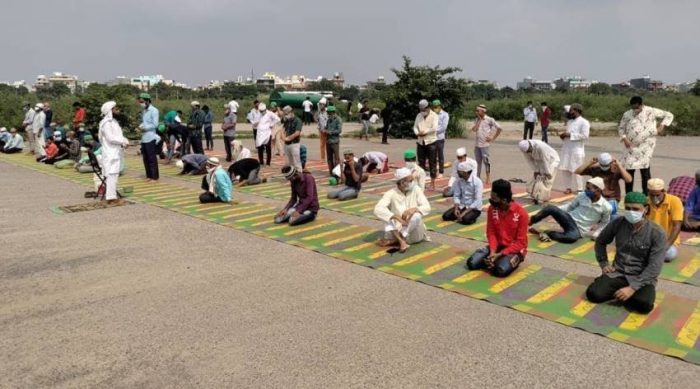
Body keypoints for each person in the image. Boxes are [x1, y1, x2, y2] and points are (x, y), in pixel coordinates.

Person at [585, 192, 665, 314]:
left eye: (635, 209)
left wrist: (632, 288)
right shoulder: (618, 223)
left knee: (644, 305)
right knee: (593, 294)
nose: (631, 212)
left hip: (642, 277)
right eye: (628, 208)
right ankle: (617, 290)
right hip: (618, 273)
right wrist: (604, 263)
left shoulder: (657, 233)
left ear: (646, 209)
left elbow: (655, 266)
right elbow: (600, 241)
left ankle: (625, 293)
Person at [466, 179, 529, 277]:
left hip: (514, 249)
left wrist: (500, 254)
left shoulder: (521, 213)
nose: (491, 201)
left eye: (494, 198)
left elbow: (520, 242)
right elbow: (491, 233)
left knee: (499, 270)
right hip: (497, 246)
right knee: (471, 263)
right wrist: (492, 252)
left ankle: (500, 261)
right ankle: (493, 261)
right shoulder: (492, 209)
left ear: (504, 200)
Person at [618, 96, 674, 195]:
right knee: (629, 170)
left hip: (646, 146)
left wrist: (661, 126)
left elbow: (669, 115)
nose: (635, 110)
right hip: (630, 146)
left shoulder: (651, 111)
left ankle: (647, 195)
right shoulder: (627, 114)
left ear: (642, 105)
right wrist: (624, 138)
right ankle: (629, 195)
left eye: (637, 108)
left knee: (645, 171)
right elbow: (621, 128)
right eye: (633, 108)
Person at [529, 177, 612, 243]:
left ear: (598, 190)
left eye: (588, 188)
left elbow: (604, 222)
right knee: (550, 208)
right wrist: (556, 210)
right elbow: (570, 207)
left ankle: (548, 233)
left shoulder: (606, 207)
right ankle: (530, 221)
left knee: (571, 238)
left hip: (579, 230)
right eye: (586, 188)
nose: (586, 190)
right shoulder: (582, 195)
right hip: (569, 219)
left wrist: (597, 233)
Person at [374, 167, 431, 252]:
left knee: (416, 215)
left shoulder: (416, 189)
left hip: (414, 234)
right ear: (401, 182)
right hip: (397, 229)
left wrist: (414, 209)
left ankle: (398, 240)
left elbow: (427, 207)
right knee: (387, 216)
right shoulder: (391, 193)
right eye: (410, 180)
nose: (413, 182)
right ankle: (401, 241)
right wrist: (395, 217)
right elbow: (377, 209)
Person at [98, 101, 130, 205]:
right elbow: (111, 138)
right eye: (115, 108)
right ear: (110, 111)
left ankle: (111, 196)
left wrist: (124, 140)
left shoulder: (113, 122)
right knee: (112, 175)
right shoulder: (106, 123)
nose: (117, 110)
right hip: (110, 152)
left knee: (114, 175)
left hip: (115, 152)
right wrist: (123, 141)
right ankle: (111, 198)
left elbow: (118, 135)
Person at [647, 178, 683, 262]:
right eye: (652, 195)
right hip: (649, 239)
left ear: (664, 191)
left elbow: (677, 226)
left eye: (657, 195)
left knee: (670, 254)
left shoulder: (675, 201)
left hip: (667, 239)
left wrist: (667, 245)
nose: (654, 198)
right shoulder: (645, 201)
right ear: (648, 192)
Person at [559, 103, 590, 194]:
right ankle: (568, 188)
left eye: (571, 110)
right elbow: (568, 134)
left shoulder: (584, 122)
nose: (570, 112)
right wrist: (563, 136)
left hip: (577, 149)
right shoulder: (570, 122)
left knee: (577, 169)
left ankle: (580, 189)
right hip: (567, 148)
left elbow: (585, 136)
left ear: (577, 111)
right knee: (565, 169)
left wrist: (570, 135)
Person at [519, 139, 560, 203]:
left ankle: (543, 197)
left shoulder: (540, 147)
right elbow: (529, 160)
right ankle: (535, 195)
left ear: (530, 145)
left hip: (551, 161)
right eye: (527, 151)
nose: (529, 152)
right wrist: (536, 170)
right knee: (538, 178)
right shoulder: (524, 150)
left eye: (529, 150)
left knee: (547, 180)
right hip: (540, 161)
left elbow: (545, 160)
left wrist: (548, 172)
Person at [442, 159, 482, 225]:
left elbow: (477, 200)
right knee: (445, 216)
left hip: (474, 208)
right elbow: (457, 195)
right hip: (462, 206)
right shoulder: (459, 181)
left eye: (460, 172)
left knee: (465, 219)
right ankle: (461, 215)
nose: (458, 173)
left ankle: (471, 217)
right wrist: (456, 208)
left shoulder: (477, 182)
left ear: (466, 172)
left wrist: (465, 212)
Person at [471, 104, 502, 185]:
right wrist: (479, 121)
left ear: (483, 111)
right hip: (477, 144)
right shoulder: (476, 119)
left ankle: (488, 177)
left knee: (486, 161)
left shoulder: (489, 119)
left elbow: (499, 128)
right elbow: (474, 129)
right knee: (477, 162)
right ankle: (477, 177)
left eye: (478, 111)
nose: (476, 112)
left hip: (484, 145)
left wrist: (493, 138)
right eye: (476, 110)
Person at [412, 99, 439, 190]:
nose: (422, 112)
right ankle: (421, 182)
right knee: (421, 162)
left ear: (428, 108)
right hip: (420, 141)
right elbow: (415, 126)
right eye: (421, 110)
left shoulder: (434, 115)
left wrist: (425, 132)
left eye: (424, 110)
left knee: (432, 163)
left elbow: (434, 128)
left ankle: (432, 182)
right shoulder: (419, 115)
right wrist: (417, 133)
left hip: (431, 141)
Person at [137, 93, 160, 182]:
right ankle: (149, 175)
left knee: (152, 158)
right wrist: (140, 126)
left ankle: (154, 177)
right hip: (144, 137)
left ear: (147, 101)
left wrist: (145, 128)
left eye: (142, 102)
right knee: (145, 158)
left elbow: (155, 124)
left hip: (150, 136)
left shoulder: (154, 110)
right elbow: (144, 122)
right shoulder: (144, 111)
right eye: (140, 102)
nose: (141, 103)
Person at [432, 99, 449, 178]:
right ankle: (433, 171)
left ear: (440, 106)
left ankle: (441, 172)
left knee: (440, 155)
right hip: (432, 138)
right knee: (433, 156)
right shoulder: (432, 114)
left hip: (439, 138)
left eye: (436, 107)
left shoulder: (445, 115)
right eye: (434, 107)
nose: (435, 108)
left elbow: (443, 127)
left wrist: (434, 131)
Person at [282, 106, 303, 170]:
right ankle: (292, 177)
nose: (286, 116)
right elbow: (283, 130)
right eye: (285, 114)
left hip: (294, 144)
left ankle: (300, 176)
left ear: (291, 112)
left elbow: (297, 133)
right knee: (289, 163)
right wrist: (283, 138)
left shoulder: (298, 120)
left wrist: (288, 138)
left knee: (297, 163)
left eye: (287, 114)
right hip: (286, 144)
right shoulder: (287, 121)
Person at [323, 105, 342, 175]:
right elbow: (326, 127)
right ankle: (331, 172)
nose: (328, 114)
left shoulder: (338, 120)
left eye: (330, 113)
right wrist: (324, 130)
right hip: (328, 141)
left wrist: (330, 132)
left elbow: (339, 130)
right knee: (329, 158)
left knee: (336, 158)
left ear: (334, 112)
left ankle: (337, 173)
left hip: (335, 141)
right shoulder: (328, 120)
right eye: (328, 113)